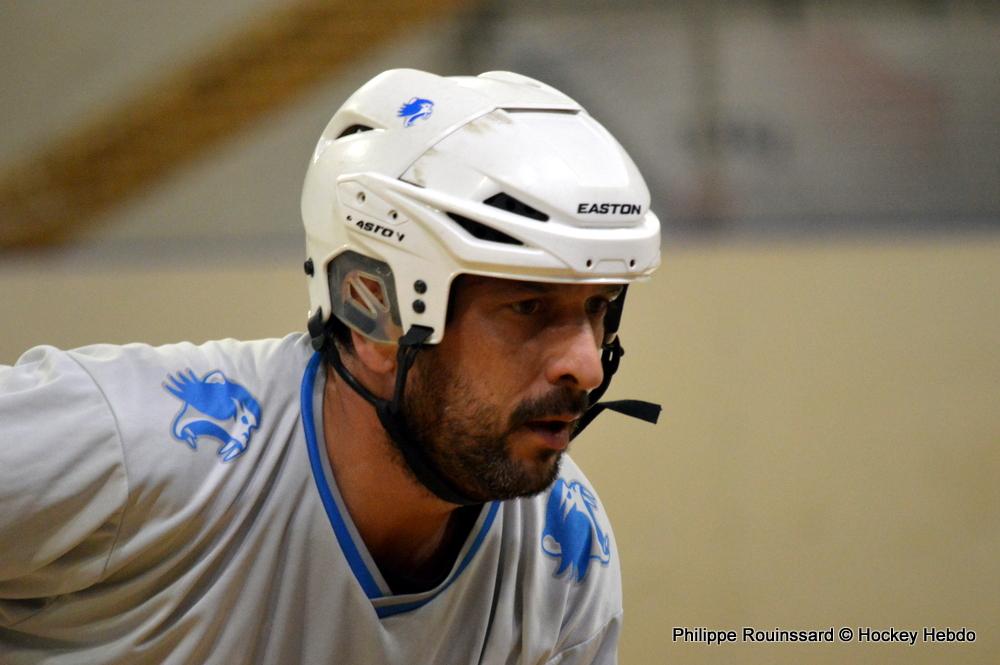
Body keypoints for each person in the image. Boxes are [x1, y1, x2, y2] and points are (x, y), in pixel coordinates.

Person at [0, 69, 661, 664]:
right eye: (527, 307)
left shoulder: (565, 552)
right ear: (374, 311)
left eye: (598, 307)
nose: (586, 366)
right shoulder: (137, 442)